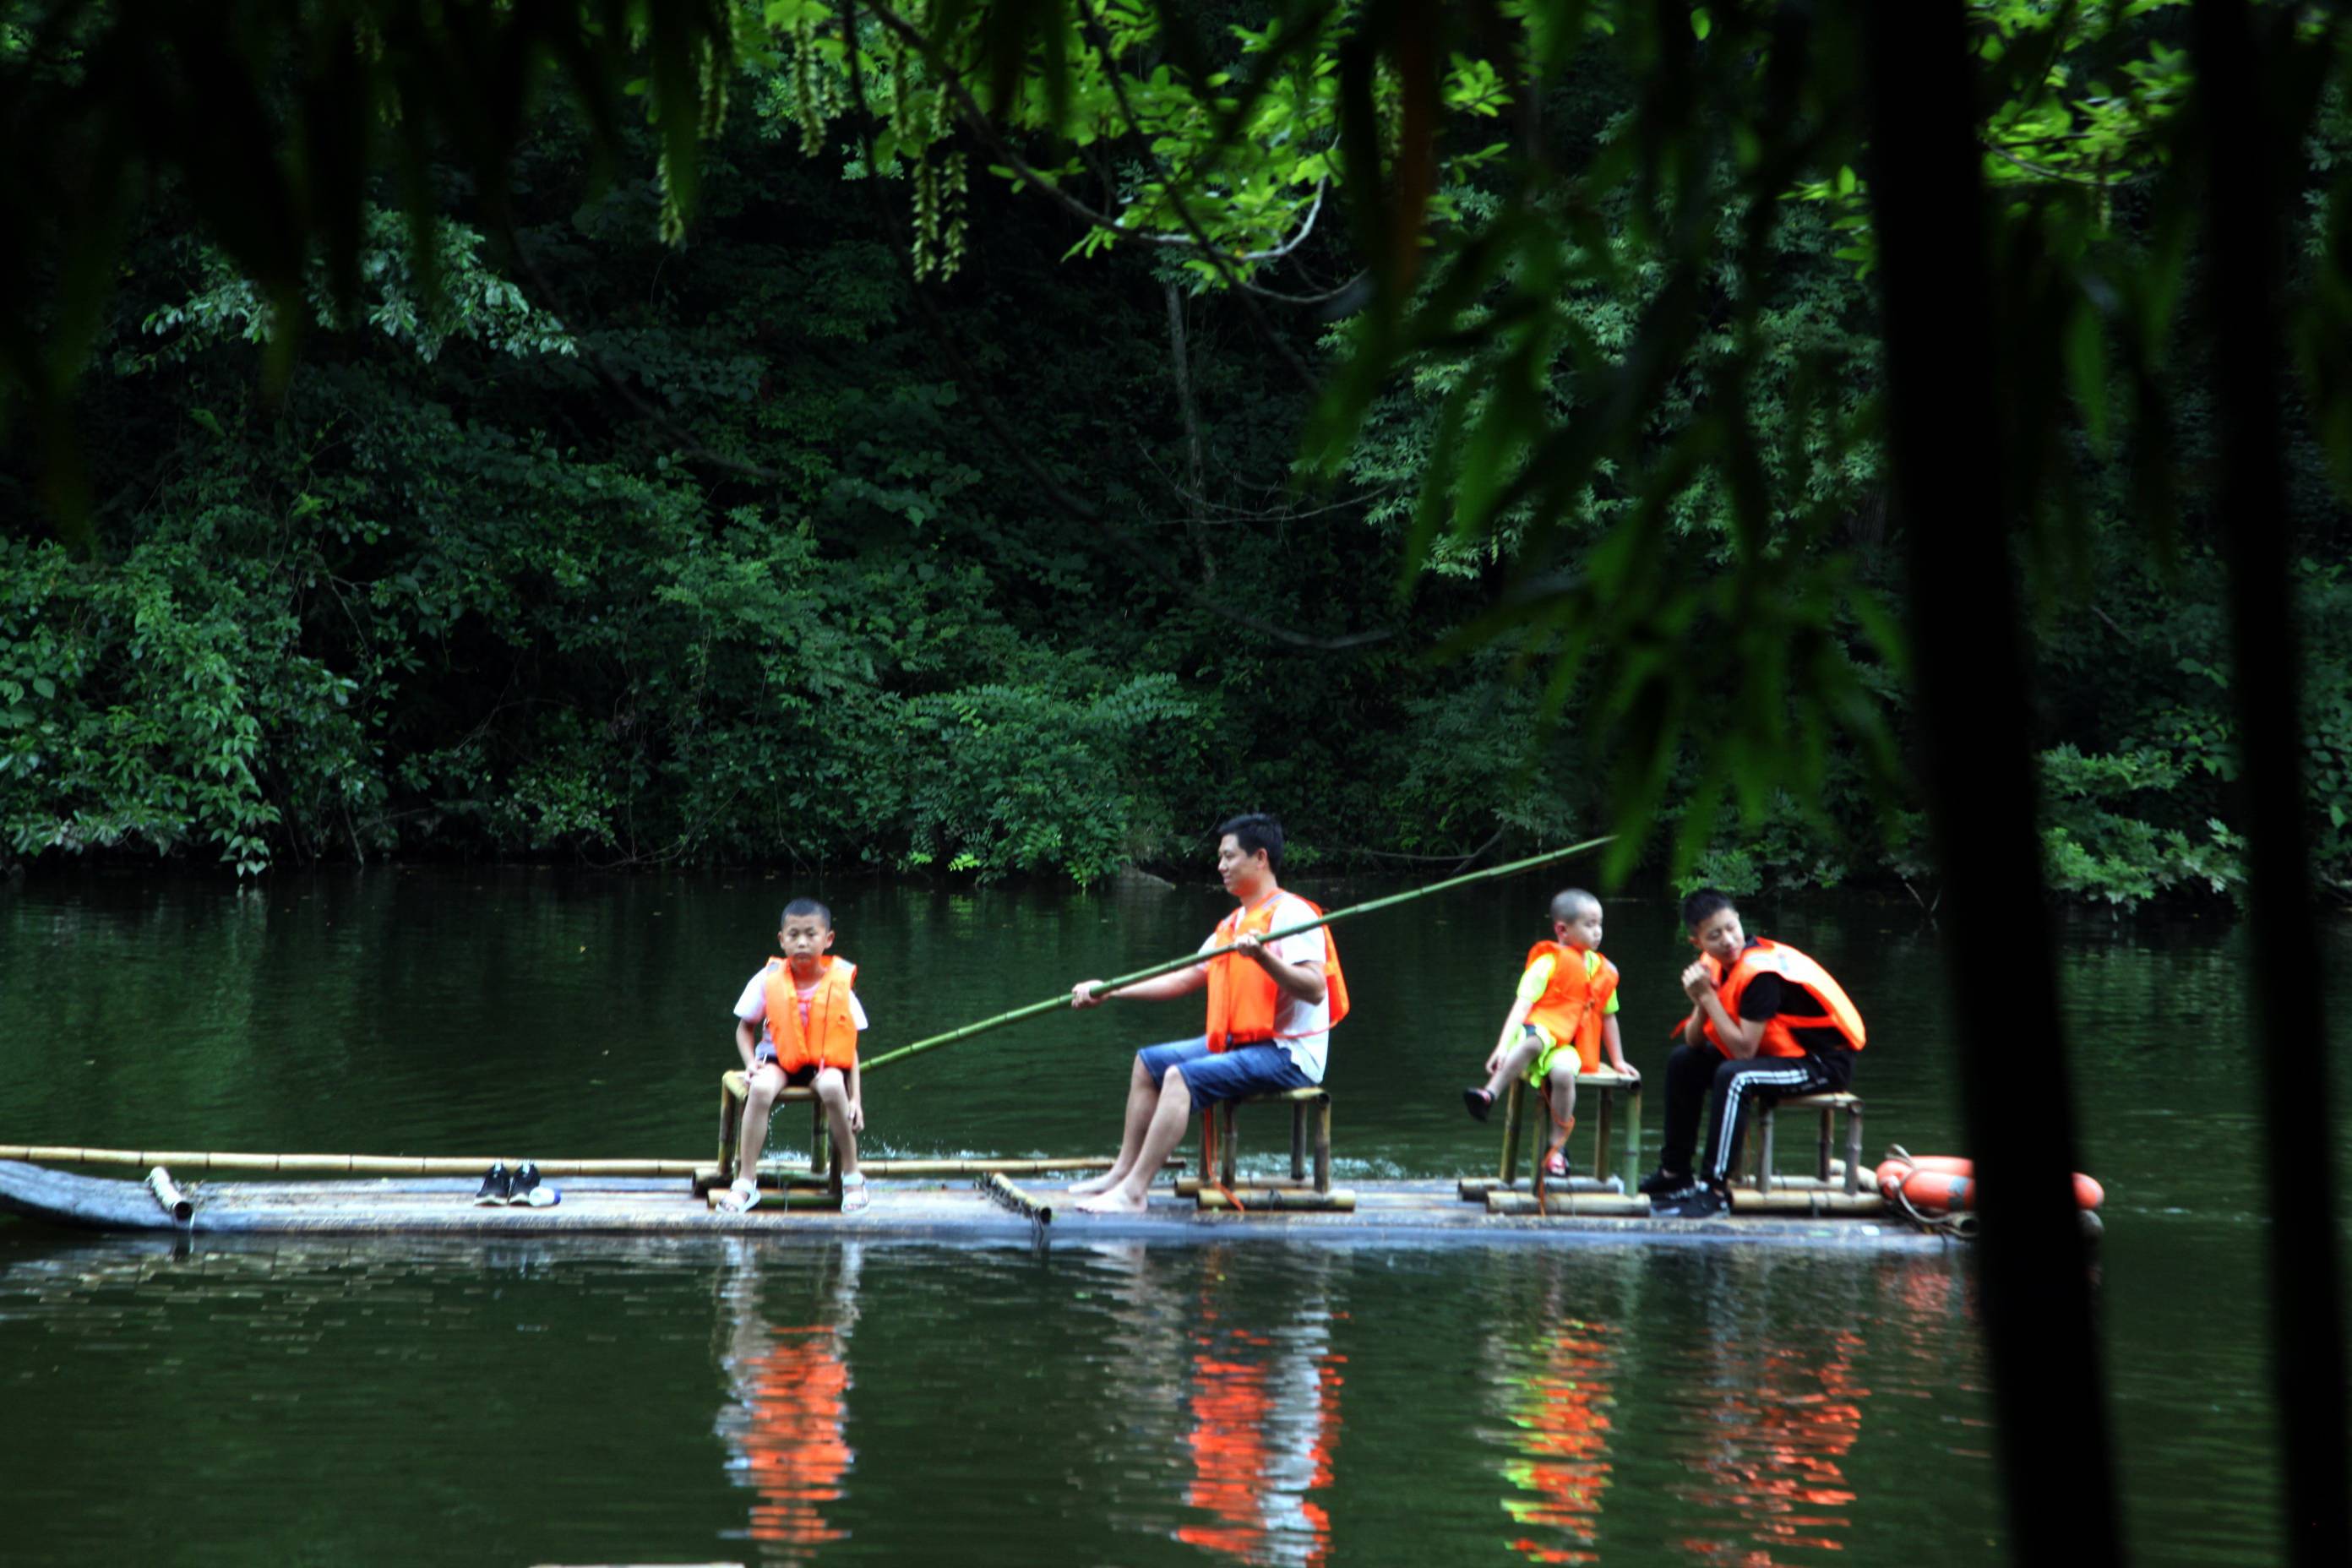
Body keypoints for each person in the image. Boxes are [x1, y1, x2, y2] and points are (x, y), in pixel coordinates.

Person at [1065, 814, 1349, 1214]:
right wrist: (1109, 990)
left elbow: (1316, 989)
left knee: (1181, 1077)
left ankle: (1134, 1194)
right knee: (1148, 1064)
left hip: (1289, 1055)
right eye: (1221, 858)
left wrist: (1264, 957)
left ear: (1261, 858)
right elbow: (1182, 979)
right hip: (1243, 1045)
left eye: (1229, 857)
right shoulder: (1231, 925)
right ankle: (1122, 1173)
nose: (1221, 867)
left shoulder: (1294, 914)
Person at [1642, 888, 1865, 1219]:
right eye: (1715, 936)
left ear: (1739, 921)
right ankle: (1676, 1175)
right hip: (1778, 1056)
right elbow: (1693, 1041)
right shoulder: (1711, 967)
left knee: (1735, 1076)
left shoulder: (1761, 974)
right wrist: (1701, 1000)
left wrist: (1708, 998)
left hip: (1822, 1064)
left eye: (1732, 928)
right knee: (1682, 1061)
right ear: (1698, 943)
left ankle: (1714, 1190)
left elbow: (1743, 1052)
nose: (1729, 940)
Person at [1462, 888, 1636, 1181]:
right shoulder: (1548, 962)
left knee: (1564, 1073)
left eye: (1600, 924)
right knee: (1535, 1041)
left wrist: (1618, 1060)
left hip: (1567, 1045)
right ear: (1562, 930)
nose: (1598, 932)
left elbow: (1609, 1017)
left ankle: (1557, 1149)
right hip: (1536, 1031)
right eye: (1590, 925)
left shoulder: (1603, 971)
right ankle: (1489, 1094)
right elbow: (1521, 1008)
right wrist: (1502, 1048)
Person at [719, 898, 870, 1214]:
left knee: (831, 1087)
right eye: (794, 934)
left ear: (828, 939)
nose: (802, 942)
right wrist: (751, 1064)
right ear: (782, 939)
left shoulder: (838, 983)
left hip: (825, 1063)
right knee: (759, 1088)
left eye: (811, 934)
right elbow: (744, 1029)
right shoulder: (767, 979)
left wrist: (856, 1098)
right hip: (777, 1060)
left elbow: (849, 1045)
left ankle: (852, 1178)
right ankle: (746, 1184)